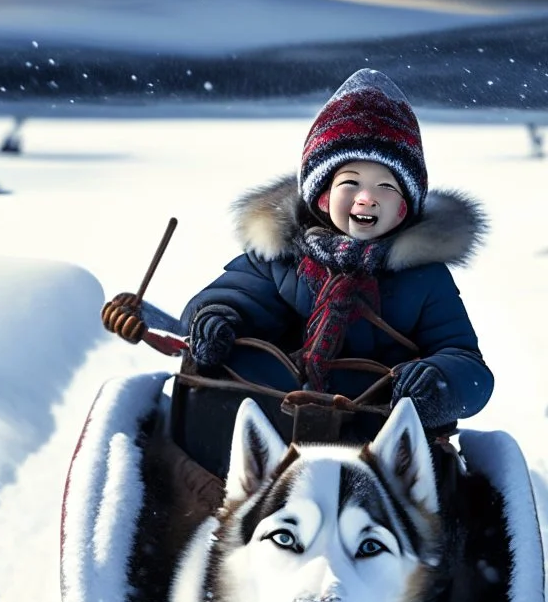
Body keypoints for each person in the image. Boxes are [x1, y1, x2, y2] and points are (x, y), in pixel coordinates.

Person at [178, 68, 494, 438]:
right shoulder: (280, 257)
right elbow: (228, 298)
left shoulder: (424, 277)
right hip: (273, 422)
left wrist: (439, 381)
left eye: (386, 187)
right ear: (323, 196)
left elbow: (469, 368)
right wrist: (213, 319)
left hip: (377, 437)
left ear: (404, 207)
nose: (367, 197)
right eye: (351, 183)